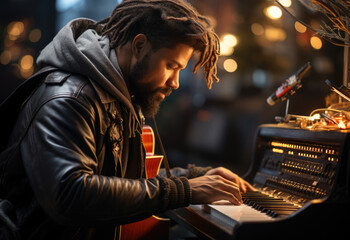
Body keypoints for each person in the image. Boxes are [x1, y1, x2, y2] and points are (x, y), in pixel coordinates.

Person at [0, 0, 254, 239]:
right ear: (139, 46)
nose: (175, 83)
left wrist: (197, 177)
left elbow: (125, 182)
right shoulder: (68, 98)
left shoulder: (114, 94)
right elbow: (69, 194)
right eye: (170, 66)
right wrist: (183, 191)